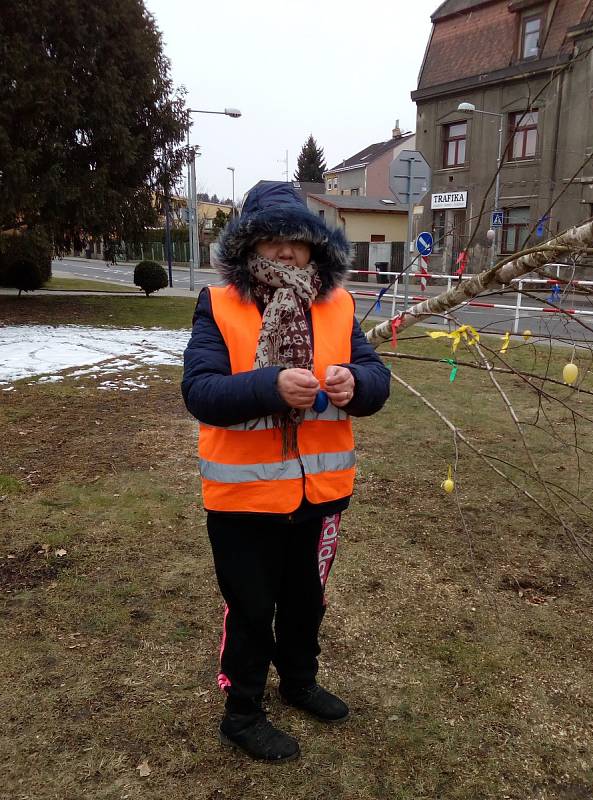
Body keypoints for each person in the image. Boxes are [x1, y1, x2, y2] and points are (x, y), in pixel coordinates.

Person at [182, 181, 390, 762]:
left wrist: (357, 385)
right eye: (270, 241)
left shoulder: (338, 303)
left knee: (306, 600)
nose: (284, 252)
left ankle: (298, 682)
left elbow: (375, 377)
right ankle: (242, 713)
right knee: (250, 609)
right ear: (250, 246)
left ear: (313, 246)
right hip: (242, 500)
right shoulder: (220, 304)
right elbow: (200, 391)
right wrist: (270, 386)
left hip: (320, 492)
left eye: (295, 242)